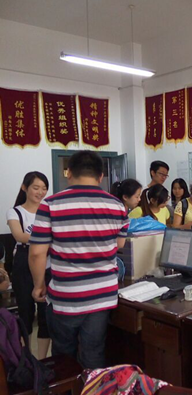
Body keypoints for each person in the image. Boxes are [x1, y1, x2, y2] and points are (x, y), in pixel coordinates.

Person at [29, 150, 129, 369]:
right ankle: (94, 385)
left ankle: (68, 385)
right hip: (102, 296)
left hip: (66, 296)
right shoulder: (117, 206)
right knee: (94, 352)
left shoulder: (50, 204)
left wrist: (38, 285)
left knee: (64, 356)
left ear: (69, 173)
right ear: (100, 176)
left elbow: (37, 253)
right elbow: (120, 244)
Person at [6, 171, 50, 359]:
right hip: (23, 263)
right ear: (25, 188)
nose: (40, 192)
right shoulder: (15, 212)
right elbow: (19, 236)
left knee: (46, 315)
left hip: (47, 262)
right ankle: (27, 359)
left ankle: (43, 360)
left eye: (44, 188)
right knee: (25, 313)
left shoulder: (48, 210)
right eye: (36, 187)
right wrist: (48, 238)